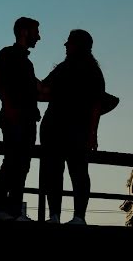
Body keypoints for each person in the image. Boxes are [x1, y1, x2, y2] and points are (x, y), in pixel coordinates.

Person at [39, 29, 105, 225]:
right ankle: (78, 217)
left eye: (69, 43)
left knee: (55, 171)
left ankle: (55, 216)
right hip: (77, 129)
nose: (66, 46)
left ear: (77, 45)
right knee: (78, 173)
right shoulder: (93, 72)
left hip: (55, 127)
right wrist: (93, 133)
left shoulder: (63, 69)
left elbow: (43, 91)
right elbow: (97, 106)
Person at [0, 16, 42, 221]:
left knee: (21, 165)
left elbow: (39, 89)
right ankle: (2, 210)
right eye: (36, 32)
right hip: (16, 118)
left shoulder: (26, 63)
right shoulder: (9, 54)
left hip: (27, 119)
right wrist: (9, 107)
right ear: (24, 32)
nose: (39, 37)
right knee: (13, 162)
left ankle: (12, 211)